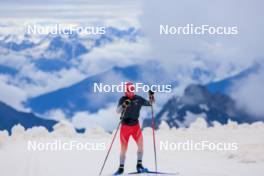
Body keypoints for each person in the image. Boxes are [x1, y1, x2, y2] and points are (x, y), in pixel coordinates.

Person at [114, 82, 154, 175]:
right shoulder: (123, 99)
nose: (131, 92)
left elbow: (150, 104)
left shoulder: (138, 99)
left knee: (141, 145)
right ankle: (121, 168)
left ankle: (139, 165)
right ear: (126, 90)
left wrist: (151, 96)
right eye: (129, 90)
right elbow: (117, 111)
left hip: (136, 126)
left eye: (132, 89)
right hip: (125, 127)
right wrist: (124, 105)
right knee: (123, 149)